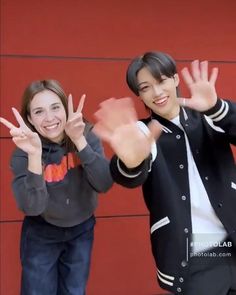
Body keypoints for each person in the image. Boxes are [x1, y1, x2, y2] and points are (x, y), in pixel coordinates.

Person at [93, 51, 236, 295]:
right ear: (139, 94)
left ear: (175, 79)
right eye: (146, 87)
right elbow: (129, 172)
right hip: (195, 259)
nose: (157, 93)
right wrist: (130, 161)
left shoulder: (209, 115)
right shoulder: (144, 131)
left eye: (161, 82)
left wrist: (216, 107)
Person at [0, 79, 113, 295]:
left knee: (74, 291)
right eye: (39, 111)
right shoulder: (23, 153)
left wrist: (79, 141)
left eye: (55, 107)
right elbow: (33, 207)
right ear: (31, 119)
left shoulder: (86, 135)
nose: (50, 118)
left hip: (82, 229)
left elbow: (104, 183)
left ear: (65, 108)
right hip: (42, 231)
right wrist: (34, 156)